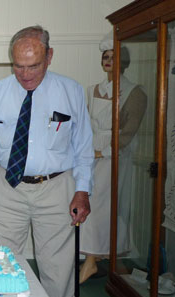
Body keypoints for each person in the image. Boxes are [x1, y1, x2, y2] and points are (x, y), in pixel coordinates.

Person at [0, 25, 94, 297]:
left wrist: (83, 190)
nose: (25, 74)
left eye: (32, 66)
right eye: (18, 66)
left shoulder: (70, 91)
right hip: (9, 187)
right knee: (3, 266)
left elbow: (84, 147)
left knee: (58, 272)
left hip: (57, 188)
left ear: (49, 57)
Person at [79, 35, 147, 283]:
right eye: (105, 57)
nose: (108, 61)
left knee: (105, 207)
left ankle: (92, 261)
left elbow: (129, 132)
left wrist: (105, 152)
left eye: (114, 57)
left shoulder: (134, 93)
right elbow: (84, 124)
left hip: (115, 157)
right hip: (91, 155)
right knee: (88, 201)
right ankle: (94, 258)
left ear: (125, 62)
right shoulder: (91, 90)